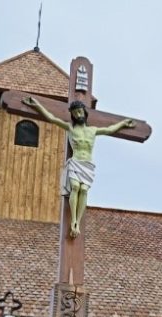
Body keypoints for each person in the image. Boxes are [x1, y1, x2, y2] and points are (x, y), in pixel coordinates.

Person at [22, 96, 136, 237]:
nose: (78, 114)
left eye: (80, 111)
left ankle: (78, 221)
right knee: (75, 187)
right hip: (76, 161)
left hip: (87, 164)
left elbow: (110, 129)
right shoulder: (70, 128)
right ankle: (73, 221)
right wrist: (37, 105)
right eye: (75, 113)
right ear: (73, 115)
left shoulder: (93, 130)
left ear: (84, 112)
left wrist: (123, 123)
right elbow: (51, 118)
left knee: (84, 190)